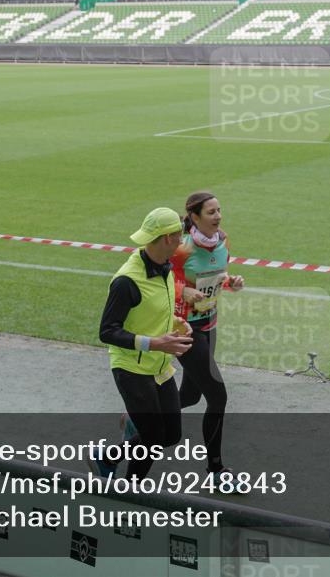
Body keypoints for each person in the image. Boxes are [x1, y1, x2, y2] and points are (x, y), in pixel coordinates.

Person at [91, 207, 193, 480]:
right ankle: (131, 493)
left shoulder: (165, 268)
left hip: (159, 366)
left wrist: (177, 322)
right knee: (152, 437)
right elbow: (107, 331)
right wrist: (155, 343)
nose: (182, 240)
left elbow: (154, 310)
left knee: (170, 435)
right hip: (131, 368)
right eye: (179, 236)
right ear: (168, 238)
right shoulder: (127, 281)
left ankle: (106, 457)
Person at [169, 191, 245, 482]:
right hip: (185, 328)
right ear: (194, 217)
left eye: (219, 210)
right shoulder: (181, 248)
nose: (218, 216)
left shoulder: (222, 241)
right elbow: (165, 279)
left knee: (189, 395)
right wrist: (183, 290)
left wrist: (230, 282)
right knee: (218, 397)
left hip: (209, 324)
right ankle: (216, 470)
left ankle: (134, 426)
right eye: (211, 212)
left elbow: (215, 275)